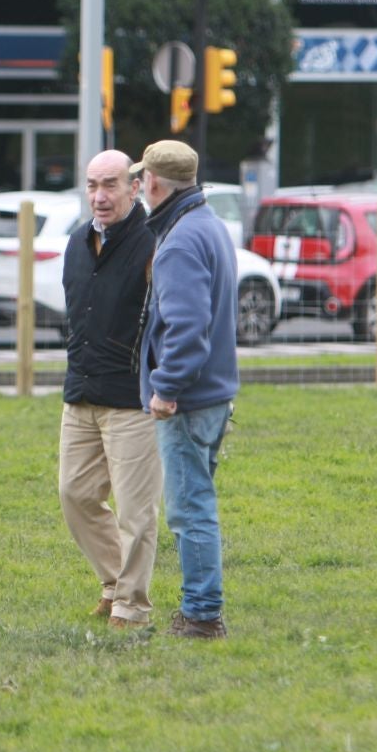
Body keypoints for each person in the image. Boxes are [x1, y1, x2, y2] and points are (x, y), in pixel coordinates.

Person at [134, 139, 240, 640]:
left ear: (154, 183)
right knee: (200, 502)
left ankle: (201, 615)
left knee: (189, 508)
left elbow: (187, 326)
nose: (139, 187)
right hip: (216, 394)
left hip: (189, 399)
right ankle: (202, 608)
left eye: (141, 179)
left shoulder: (177, 242)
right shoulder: (209, 226)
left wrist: (165, 387)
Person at [58, 150, 161, 629]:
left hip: (134, 399)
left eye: (111, 185)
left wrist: (163, 381)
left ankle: (131, 607)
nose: (100, 196)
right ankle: (113, 581)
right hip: (81, 392)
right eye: (92, 185)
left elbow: (167, 322)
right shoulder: (78, 242)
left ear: (134, 187)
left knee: (136, 513)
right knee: (74, 494)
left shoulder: (152, 243)